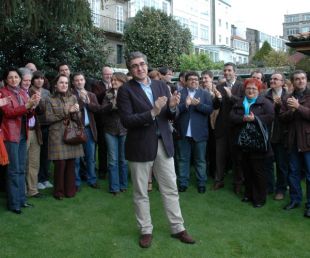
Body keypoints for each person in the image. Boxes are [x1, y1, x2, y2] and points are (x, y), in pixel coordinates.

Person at [117, 51, 195, 248]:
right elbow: (126, 121)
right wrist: (152, 112)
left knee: (170, 188)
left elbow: (169, 116)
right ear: (130, 69)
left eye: (142, 64)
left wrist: (173, 107)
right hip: (140, 145)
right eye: (135, 66)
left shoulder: (161, 85)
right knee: (141, 192)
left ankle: (178, 227)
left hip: (164, 143)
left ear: (147, 65)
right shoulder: (125, 90)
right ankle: (145, 230)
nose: (140, 68)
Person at [0, 67, 40, 214]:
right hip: (10, 135)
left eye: (16, 77)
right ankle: (14, 203)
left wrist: (32, 107)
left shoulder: (23, 92)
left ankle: (22, 200)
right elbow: (9, 113)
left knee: (22, 168)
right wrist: (27, 106)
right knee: (13, 170)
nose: (14, 80)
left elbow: (27, 116)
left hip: (23, 134)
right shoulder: (2, 93)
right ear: (6, 80)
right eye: (10, 77)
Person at [230, 78, 274, 208]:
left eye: (254, 88)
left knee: (258, 171)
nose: (250, 90)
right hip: (243, 143)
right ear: (245, 89)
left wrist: (255, 119)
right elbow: (231, 117)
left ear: (259, 90)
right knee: (246, 170)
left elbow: (271, 117)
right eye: (248, 88)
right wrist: (243, 118)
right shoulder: (239, 102)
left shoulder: (265, 102)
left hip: (258, 143)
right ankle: (248, 194)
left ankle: (260, 198)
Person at [45, 75, 84, 200]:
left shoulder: (72, 97)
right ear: (55, 84)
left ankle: (70, 191)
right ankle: (59, 192)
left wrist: (77, 112)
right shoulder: (49, 99)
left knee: (71, 162)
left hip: (71, 132)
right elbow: (49, 118)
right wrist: (67, 111)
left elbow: (77, 118)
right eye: (61, 82)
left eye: (66, 83)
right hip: (57, 134)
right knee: (60, 163)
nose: (64, 85)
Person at [175, 71, 213, 193]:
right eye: (191, 79)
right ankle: (183, 183)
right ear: (185, 81)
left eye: (196, 79)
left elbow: (209, 110)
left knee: (200, 160)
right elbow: (173, 112)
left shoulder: (205, 94)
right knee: (183, 159)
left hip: (200, 133)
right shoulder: (179, 93)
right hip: (183, 133)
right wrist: (185, 105)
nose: (194, 81)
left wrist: (198, 105)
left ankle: (201, 183)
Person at [279, 70, 310, 218]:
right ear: (293, 81)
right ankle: (295, 200)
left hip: (308, 141)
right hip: (292, 141)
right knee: (293, 173)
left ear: (306, 80)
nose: (300, 81)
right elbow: (282, 118)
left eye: (303, 78)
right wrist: (291, 111)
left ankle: (309, 205)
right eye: (297, 79)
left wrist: (298, 107)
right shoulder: (287, 98)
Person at [213, 62, 244, 193]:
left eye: (229, 70)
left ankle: (238, 183)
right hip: (222, 126)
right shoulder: (219, 86)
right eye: (225, 70)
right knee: (219, 156)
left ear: (234, 72)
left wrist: (231, 96)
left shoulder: (242, 86)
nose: (226, 73)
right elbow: (215, 106)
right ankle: (219, 181)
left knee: (237, 157)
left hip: (236, 127)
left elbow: (243, 104)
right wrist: (218, 98)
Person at [72, 72, 100, 190]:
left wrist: (87, 101)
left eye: (81, 80)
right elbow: (73, 112)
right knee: (77, 159)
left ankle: (92, 179)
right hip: (76, 130)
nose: (79, 82)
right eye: (77, 80)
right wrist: (82, 101)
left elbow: (97, 109)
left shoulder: (91, 95)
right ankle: (76, 182)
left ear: (84, 81)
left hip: (89, 129)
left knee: (90, 157)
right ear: (73, 82)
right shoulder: (71, 95)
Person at [102, 72, 128, 195]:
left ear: (122, 81)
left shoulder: (128, 93)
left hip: (124, 129)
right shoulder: (107, 94)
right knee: (112, 160)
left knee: (123, 159)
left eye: (116, 80)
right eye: (112, 80)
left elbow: (130, 111)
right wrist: (112, 104)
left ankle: (123, 185)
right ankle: (114, 187)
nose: (113, 82)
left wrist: (120, 103)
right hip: (110, 130)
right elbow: (102, 110)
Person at [264, 72, 289, 200]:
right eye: (271, 78)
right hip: (267, 135)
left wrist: (279, 107)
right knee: (267, 163)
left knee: (281, 165)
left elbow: (289, 117)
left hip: (281, 136)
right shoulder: (265, 95)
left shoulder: (288, 96)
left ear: (282, 82)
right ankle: (269, 187)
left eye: (276, 79)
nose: (272, 80)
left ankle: (281, 189)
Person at [30, 71, 53, 191]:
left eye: (42, 78)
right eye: (37, 78)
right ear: (33, 80)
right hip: (36, 126)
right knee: (36, 154)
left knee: (46, 153)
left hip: (48, 125)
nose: (40, 81)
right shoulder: (29, 91)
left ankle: (45, 178)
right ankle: (38, 179)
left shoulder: (47, 92)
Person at [90, 66, 113, 179]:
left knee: (112, 147)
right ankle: (102, 170)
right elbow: (96, 97)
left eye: (110, 74)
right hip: (101, 120)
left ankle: (112, 168)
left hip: (113, 120)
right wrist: (108, 91)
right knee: (103, 146)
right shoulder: (97, 85)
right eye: (106, 74)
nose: (108, 76)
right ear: (102, 75)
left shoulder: (115, 83)